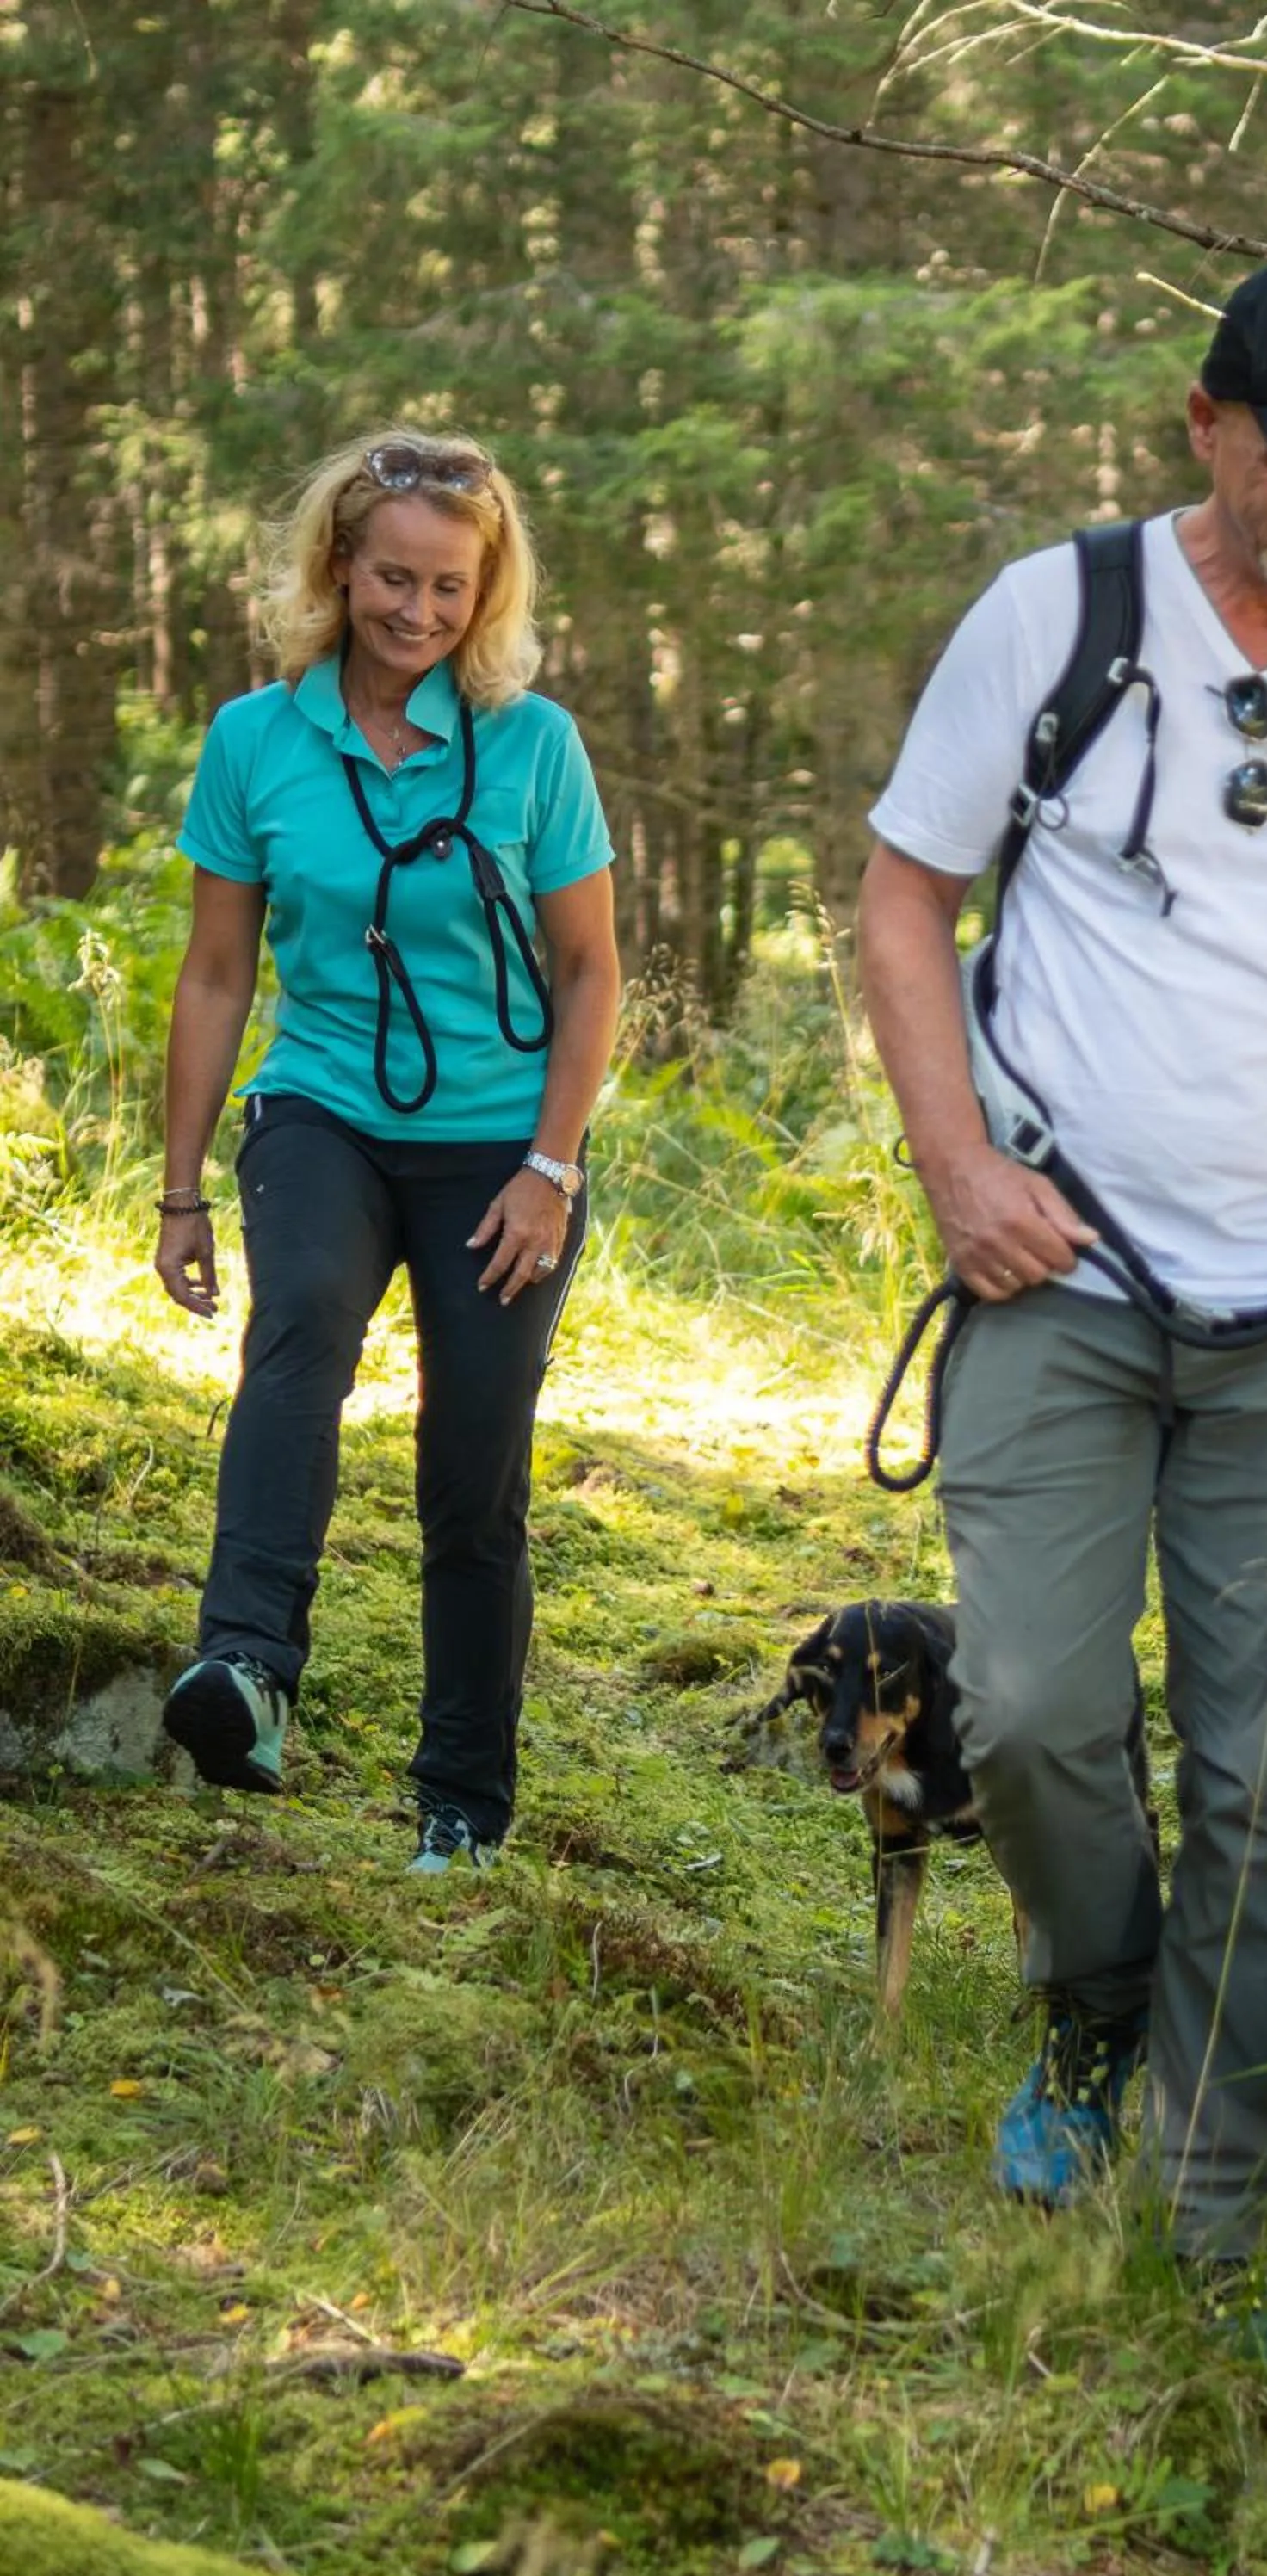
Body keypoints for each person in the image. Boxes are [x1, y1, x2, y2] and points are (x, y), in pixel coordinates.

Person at [856, 256, 1267, 2313]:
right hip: (1054, 1274)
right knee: (1039, 1710)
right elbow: (904, 904)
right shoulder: (1058, 618)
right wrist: (958, 1167)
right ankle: (1093, 2001)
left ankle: (1205, 2222)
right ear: (1205, 428)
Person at [153, 428, 620, 1874]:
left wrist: (551, 1168)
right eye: (391, 579)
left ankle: (463, 1800)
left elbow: (592, 973)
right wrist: (179, 1192)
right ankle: (247, 1671)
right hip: (324, 1114)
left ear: (487, 593)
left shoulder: (534, 745)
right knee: (298, 1331)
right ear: (338, 568)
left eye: (449, 588)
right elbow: (218, 972)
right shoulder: (256, 740)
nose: (417, 612)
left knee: (472, 1472)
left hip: (500, 1144)